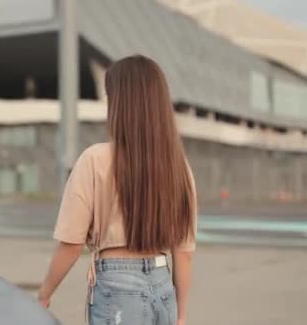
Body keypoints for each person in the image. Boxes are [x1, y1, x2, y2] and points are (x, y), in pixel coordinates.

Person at [37, 55, 197, 325]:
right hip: (163, 288)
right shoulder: (178, 167)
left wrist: (44, 294)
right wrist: (181, 316)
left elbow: (71, 244)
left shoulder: (94, 159)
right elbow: (184, 251)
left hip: (118, 290)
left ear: (120, 103)